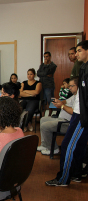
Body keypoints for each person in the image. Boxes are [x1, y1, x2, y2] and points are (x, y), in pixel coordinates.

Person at [46, 40, 88, 186]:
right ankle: (76, 174)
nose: (76, 54)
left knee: (67, 146)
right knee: (79, 146)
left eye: (79, 51)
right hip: (79, 113)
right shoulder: (83, 67)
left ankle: (63, 179)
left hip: (81, 116)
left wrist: (83, 117)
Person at [38, 77, 78, 155]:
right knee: (43, 119)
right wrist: (59, 101)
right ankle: (45, 144)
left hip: (67, 123)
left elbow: (74, 112)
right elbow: (66, 101)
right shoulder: (74, 95)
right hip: (62, 119)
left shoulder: (80, 98)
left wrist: (62, 106)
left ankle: (54, 149)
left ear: (78, 85)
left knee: (45, 126)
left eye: (71, 86)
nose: (69, 88)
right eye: (69, 86)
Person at [37, 51, 57, 117]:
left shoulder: (53, 66)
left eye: (47, 56)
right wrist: (44, 74)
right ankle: (43, 115)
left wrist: (43, 72)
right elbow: (38, 73)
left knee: (49, 100)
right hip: (42, 85)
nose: (45, 58)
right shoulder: (42, 65)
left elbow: (46, 72)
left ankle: (50, 114)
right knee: (43, 100)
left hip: (49, 85)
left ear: (50, 57)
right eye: (44, 57)